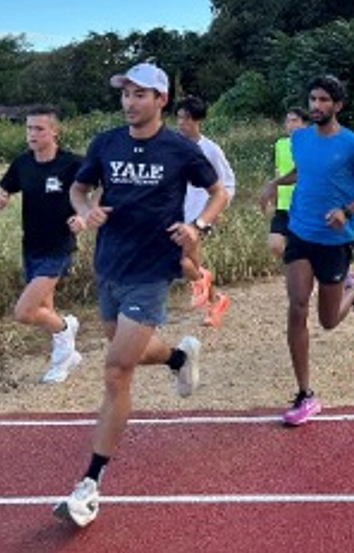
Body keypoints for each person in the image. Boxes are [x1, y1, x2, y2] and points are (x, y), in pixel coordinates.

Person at [55, 62, 229, 528]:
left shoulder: (179, 148)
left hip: (152, 269)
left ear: (161, 101)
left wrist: (197, 226)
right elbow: (78, 188)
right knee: (123, 352)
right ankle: (177, 358)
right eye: (125, 94)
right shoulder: (106, 143)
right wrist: (86, 210)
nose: (130, 102)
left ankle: (90, 483)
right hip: (109, 264)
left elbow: (218, 192)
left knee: (115, 370)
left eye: (139, 94)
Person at [259, 75, 354, 427]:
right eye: (313, 99)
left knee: (328, 321)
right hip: (300, 231)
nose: (316, 106)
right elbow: (302, 171)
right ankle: (305, 394)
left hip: (334, 240)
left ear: (338, 105)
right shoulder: (299, 138)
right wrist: (275, 183)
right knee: (297, 304)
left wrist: (348, 210)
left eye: (324, 100)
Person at [0, 105, 86, 384]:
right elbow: (6, 186)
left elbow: (101, 187)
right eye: (28, 128)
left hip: (59, 245)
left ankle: (66, 332)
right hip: (31, 244)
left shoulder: (72, 163)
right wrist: (2, 198)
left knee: (25, 312)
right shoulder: (22, 163)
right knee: (45, 307)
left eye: (39, 129)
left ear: (54, 131)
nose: (31, 134)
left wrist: (84, 216)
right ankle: (66, 357)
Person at [175, 95, 237, 328]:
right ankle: (215, 299)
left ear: (197, 120)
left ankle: (201, 280)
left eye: (187, 119)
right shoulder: (172, 146)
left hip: (201, 214)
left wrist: (220, 207)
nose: (182, 123)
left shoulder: (210, 149)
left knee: (180, 258)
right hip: (177, 213)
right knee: (189, 259)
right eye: (179, 118)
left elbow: (228, 182)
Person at [268, 108, 309, 259]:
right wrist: (274, 196)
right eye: (288, 121)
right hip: (284, 205)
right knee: (275, 245)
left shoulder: (312, 145)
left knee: (304, 248)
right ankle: (296, 269)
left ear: (305, 124)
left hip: (304, 205)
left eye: (295, 121)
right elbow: (278, 173)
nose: (290, 125)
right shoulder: (280, 144)